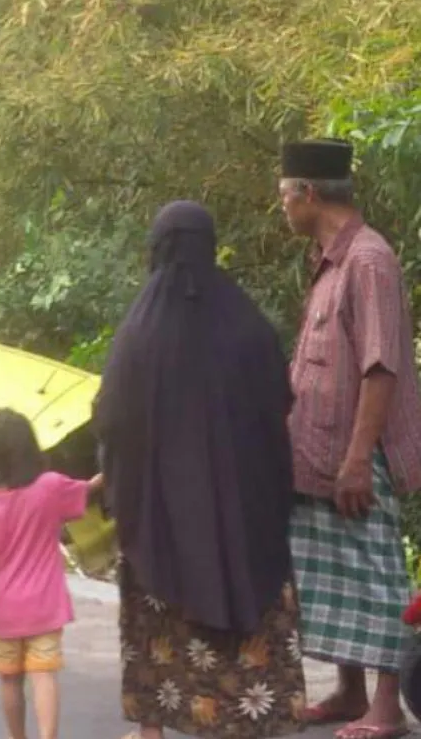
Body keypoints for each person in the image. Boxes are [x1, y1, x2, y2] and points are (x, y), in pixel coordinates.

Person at [94, 201, 304, 739]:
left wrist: (119, 482)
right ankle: (250, 722)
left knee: (157, 620)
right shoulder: (249, 326)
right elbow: (280, 405)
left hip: (161, 519)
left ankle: (153, 729)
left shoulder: (140, 335)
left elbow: (112, 418)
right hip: (244, 516)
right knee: (250, 612)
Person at [278, 140, 421, 739]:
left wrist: (359, 460)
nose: (282, 207)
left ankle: (386, 709)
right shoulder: (329, 262)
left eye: (285, 195)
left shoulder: (368, 260)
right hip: (319, 455)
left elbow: (381, 367)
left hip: (362, 458)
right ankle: (349, 690)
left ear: (309, 194)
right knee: (333, 574)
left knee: (376, 574)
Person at [0, 408, 102, 739]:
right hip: (45, 606)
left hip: (3, 610)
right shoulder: (50, 488)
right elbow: (89, 489)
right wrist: (117, 466)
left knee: (10, 680)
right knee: (44, 675)